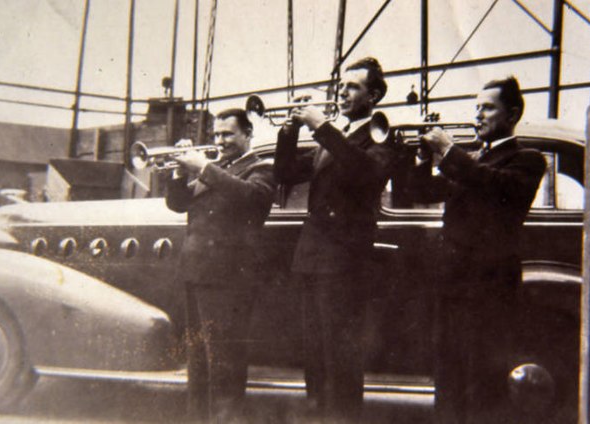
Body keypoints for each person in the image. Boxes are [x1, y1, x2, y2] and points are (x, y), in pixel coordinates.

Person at [409, 76, 546, 423]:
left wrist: (450, 151)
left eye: (487, 108)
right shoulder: (470, 161)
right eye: (476, 108)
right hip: (454, 286)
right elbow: (421, 192)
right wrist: (423, 157)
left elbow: (495, 187)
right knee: (449, 380)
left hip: (488, 291)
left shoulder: (526, 159)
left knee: (481, 384)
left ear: (512, 114)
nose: (478, 115)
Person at [274, 57, 398, 423]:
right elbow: (284, 173)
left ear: (373, 95)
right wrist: (289, 130)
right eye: (342, 86)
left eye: (354, 87)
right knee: (315, 356)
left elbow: (367, 173)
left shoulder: (380, 135)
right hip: (313, 257)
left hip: (344, 262)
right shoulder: (333, 136)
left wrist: (323, 127)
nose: (343, 92)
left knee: (340, 358)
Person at [165, 108, 276, 423]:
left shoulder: (261, 167)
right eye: (216, 135)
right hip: (197, 274)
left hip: (229, 279)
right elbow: (179, 203)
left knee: (224, 363)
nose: (220, 140)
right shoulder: (217, 168)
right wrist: (178, 173)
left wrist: (204, 167)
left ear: (247, 133)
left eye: (228, 134)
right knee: (198, 362)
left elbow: (253, 198)